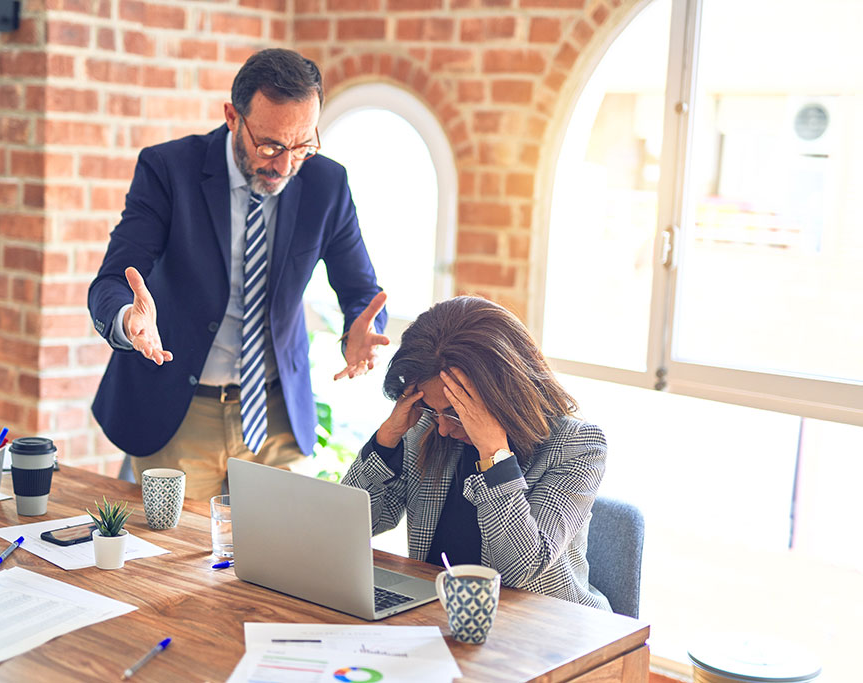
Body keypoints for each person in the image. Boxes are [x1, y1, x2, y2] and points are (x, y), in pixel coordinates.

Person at [88, 49, 388, 500]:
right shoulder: (169, 170)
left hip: (277, 415)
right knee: (175, 567)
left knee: (284, 562)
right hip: (181, 414)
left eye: (303, 146)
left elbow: (361, 291)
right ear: (232, 116)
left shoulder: (327, 184)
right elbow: (111, 281)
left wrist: (360, 332)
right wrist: (131, 320)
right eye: (269, 146)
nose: (285, 165)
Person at [342, 296, 610, 610]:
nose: (441, 427)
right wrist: (387, 439)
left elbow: (520, 569)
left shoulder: (577, 445)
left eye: (455, 412)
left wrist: (494, 454)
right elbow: (350, 528)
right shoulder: (428, 424)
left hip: (544, 628)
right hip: (440, 617)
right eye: (432, 409)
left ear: (503, 392)